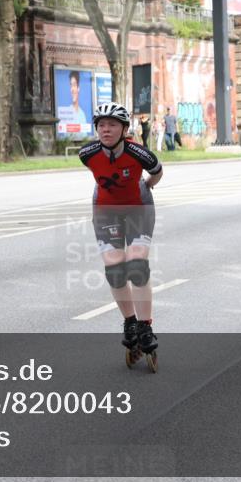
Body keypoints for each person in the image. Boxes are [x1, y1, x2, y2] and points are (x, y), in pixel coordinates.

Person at [79, 102, 164, 361]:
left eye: (112, 125)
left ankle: (145, 325)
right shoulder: (87, 153)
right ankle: (129, 321)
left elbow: (157, 172)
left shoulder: (140, 153)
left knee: (137, 264)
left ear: (124, 129)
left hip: (138, 207)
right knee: (115, 267)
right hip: (106, 210)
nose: (106, 130)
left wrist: (147, 185)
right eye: (101, 125)